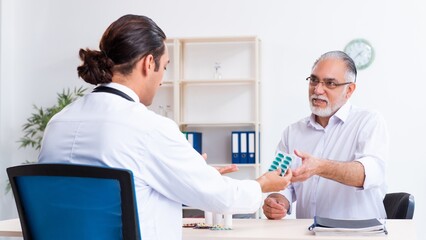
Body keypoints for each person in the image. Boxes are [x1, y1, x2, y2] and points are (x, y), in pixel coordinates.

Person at [38, 14, 292, 240]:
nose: (162, 78)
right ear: (149, 63)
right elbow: (222, 198)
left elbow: (94, 203)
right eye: (165, 67)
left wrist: (190, 172)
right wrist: (262, 184)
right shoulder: (149, 128)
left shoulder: (57, 123)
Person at [262, 51, 388, 220]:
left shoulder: (369, 121)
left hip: (359, 234)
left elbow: (368, 174)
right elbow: (281, 183)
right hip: (308, 233)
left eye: (330, 83)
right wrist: (277, 201)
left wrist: (320, 167)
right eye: (314, 80)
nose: (318, 90)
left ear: (349, 90)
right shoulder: (292, 132)